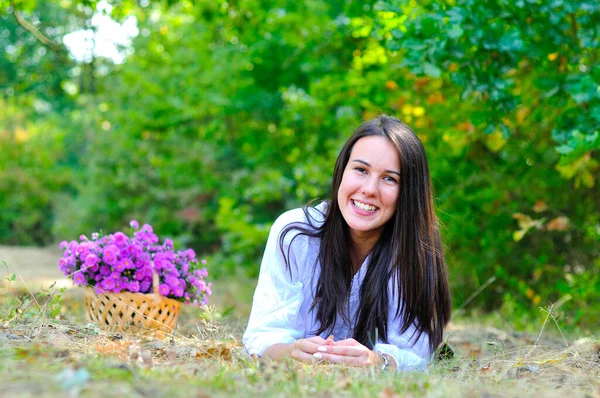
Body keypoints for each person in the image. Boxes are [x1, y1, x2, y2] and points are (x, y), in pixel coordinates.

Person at [243, 115, 451, 371]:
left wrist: (378, 362)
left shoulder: (414, 252)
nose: (369, 189)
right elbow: (262, 335)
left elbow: (417, 353)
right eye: (361, 170)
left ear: (408, 193)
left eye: (389, 179)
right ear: (342, 171)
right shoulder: (296, 235)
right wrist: (291, 352)